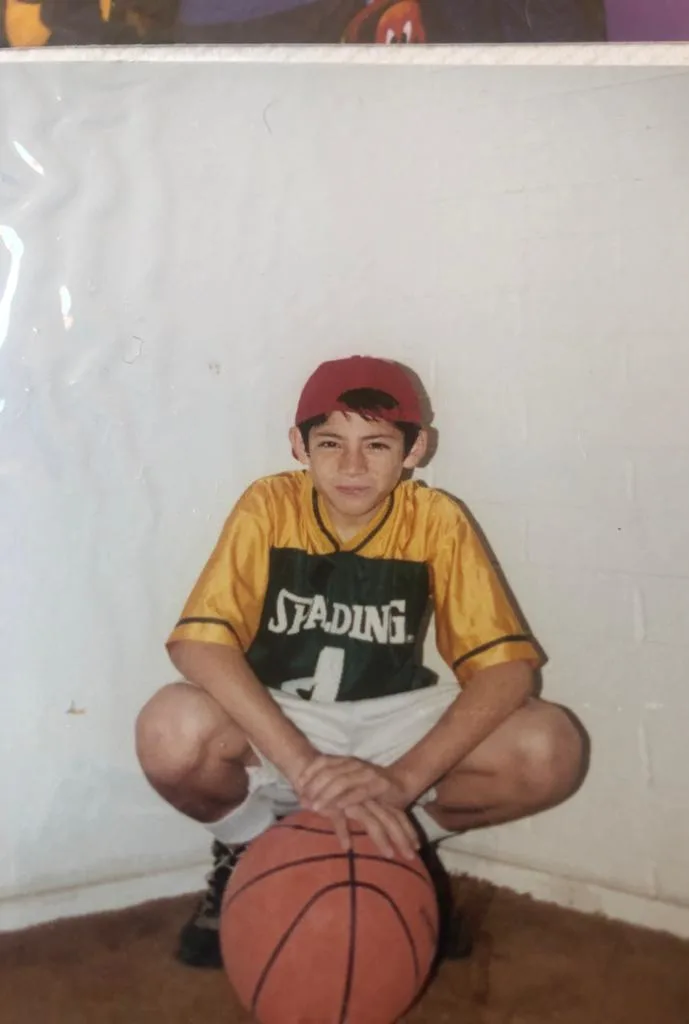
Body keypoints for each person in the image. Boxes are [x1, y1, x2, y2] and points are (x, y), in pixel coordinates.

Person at [135, 355, 586, 968]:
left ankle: (392, 848)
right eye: (331, 442)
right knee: (170, 728)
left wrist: (401, 783)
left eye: (376, 444)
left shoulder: (435, 520)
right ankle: (250, 846)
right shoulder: (269, 506)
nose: (351, 465)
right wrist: (303, 763)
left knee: (548, 747)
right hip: (288, 719)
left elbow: (506, 671)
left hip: (394, 721)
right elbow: (199, 643)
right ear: (299, 444)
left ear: (415, 449)